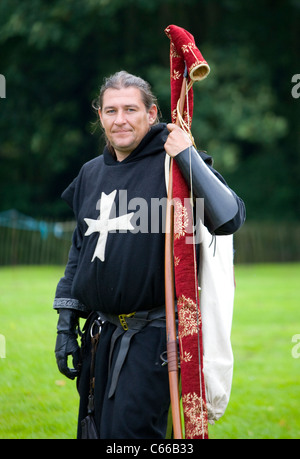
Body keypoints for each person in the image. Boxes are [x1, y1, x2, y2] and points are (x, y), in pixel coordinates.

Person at [53, 70, 245, 439]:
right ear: (100, 116)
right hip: (100, 335)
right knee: (96, 432)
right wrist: (66, 322)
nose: (119, 119)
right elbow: (81, 250)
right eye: (110, 111)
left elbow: (229, 219)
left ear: (151, 113)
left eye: (130, 109)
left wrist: (187, 156)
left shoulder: (173, 167)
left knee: (132, 435)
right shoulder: (91, 174)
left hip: (155, 340)